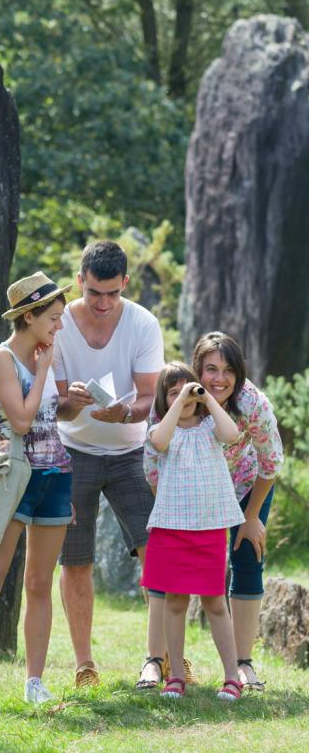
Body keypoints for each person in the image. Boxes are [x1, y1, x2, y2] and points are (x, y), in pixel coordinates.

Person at [0, 272, 74, 709]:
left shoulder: (43, 355)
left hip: (55, 474)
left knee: (40, 583)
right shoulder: (0, 359)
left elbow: (47, 414)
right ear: (29, 316)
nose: (59, 326)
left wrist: (72, 396)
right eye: (54, 318)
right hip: (13, 477)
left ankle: (34, 682)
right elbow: (20, 421)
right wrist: (44, 372)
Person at [53, 241, 165, 689]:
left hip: (130, 452)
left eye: (111, 295)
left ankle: (160, 656)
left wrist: (126, 413)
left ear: (125, 284)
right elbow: (55, 407)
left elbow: (149, 398)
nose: (102, 304)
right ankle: (85, 664)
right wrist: (71, 403)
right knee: (75, 560)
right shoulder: (58, 325)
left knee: (154, 550)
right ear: (80, 281)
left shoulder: (142, 323)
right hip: (72, 450)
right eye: (94, 293)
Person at [145, 332, 283, 690]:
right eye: (210, 370)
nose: (219, 379)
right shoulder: (176, 396)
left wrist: (251, 517)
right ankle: (155, 660)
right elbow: (153, 456)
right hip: (185, 500)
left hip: (243, 485)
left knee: (247, 559)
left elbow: (271, 462)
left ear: (239, 374)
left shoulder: (251, 402)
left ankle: (242, 664)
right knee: (169, 579)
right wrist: (167, 507)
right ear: (196, 371)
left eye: (228, 370)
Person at [140, 362, 245, 700]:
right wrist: (177, 402)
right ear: (164, 400)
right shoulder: (162, 430)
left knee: (215, 602)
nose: (184, 396)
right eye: (174, 392)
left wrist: (205, 399)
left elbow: (233, 435)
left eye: (189, 389)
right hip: (172, 528)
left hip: (209, 528)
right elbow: (158, 442)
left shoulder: (211, 427)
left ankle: (232, 676)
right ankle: (175, 678)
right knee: (174, 602)